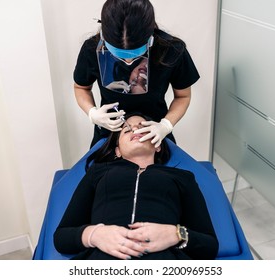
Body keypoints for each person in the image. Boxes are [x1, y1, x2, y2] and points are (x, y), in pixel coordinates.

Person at [54, 113, 219, 260]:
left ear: (157, 144)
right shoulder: (98, 172)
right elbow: (61, 237)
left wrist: (175, 234)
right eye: (126, 130)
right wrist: (95, 235)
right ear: (117, 151)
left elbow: (209, 246)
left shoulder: (183, 178)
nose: (134, 130)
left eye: (142, 128)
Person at [74, 0, 200, 148]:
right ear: (104, 36)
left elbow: (183, 96)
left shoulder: (172, 51)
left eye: (134, 54)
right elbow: (81, 88)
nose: (128, 61)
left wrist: (165, 125)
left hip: (155, 131)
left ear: (150, 37)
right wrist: (92, 113)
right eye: (120, 55)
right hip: (109, 131)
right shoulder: (91, 49)